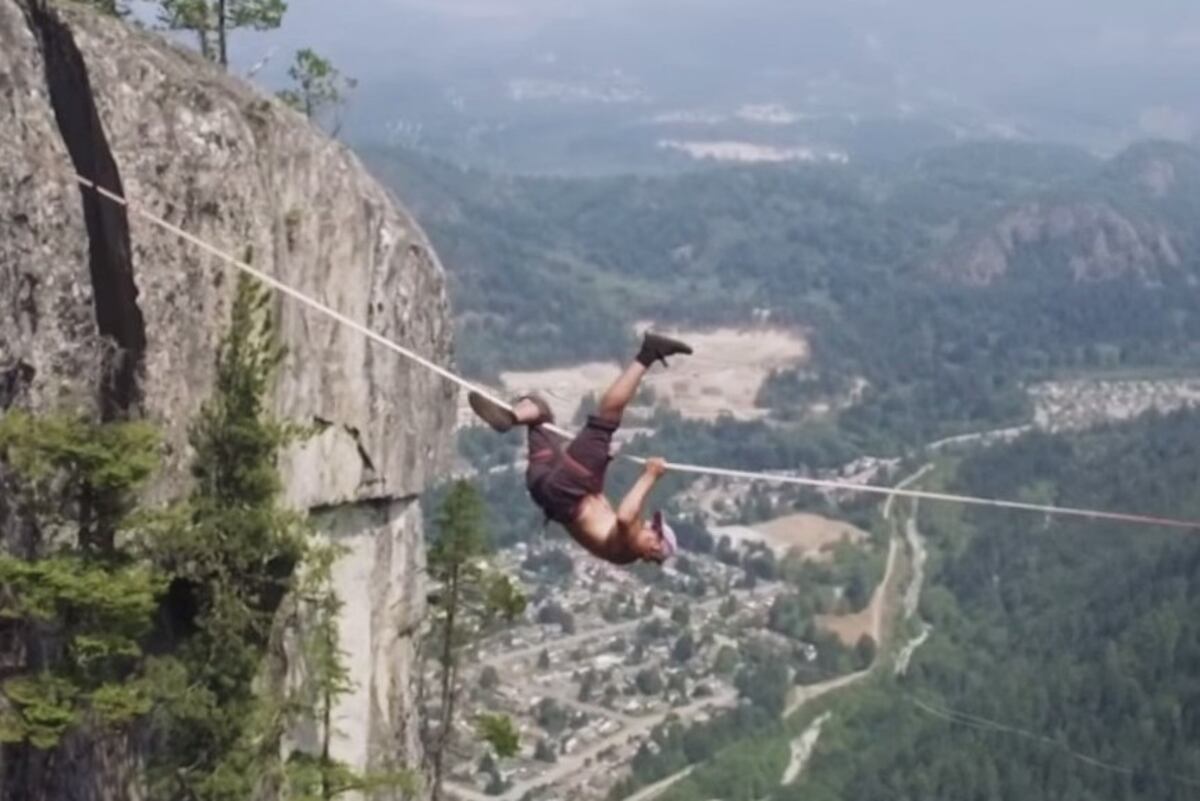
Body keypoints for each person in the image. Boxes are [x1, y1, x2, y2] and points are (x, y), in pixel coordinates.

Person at [468, 332, 693, 565]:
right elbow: (596, 498)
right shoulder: (623, 545)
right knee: (539, 411)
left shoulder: (630, 547)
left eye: (654, 529)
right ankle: (511, 417)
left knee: (607, 420)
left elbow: (625, 517)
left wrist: (650, 475)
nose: (649, 524)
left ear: (655, 547)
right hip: (545, 484)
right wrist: (601, 462)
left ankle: (649, 353)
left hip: (566, 493)